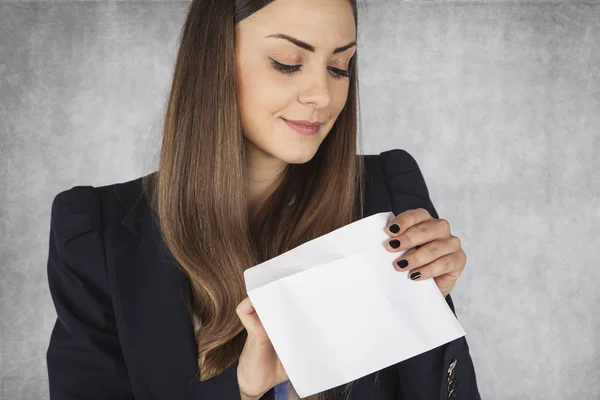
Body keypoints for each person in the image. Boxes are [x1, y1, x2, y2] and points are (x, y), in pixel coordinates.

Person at [45, 0, 481, 399]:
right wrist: (241, 387)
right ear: (211, 61)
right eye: (287, 63)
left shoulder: (387, 191)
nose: (322, 96)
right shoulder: (95, 233)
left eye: (339, 67)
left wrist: (430, 309)